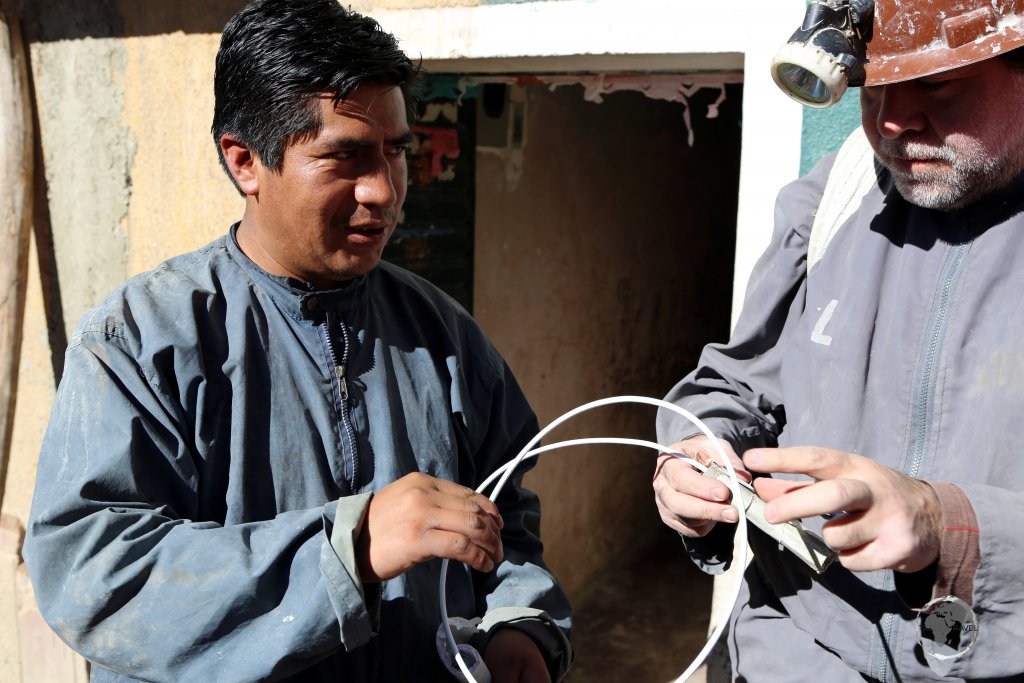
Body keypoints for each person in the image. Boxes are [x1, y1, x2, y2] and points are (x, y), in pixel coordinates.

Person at [22, 1, 572, 681]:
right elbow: (96, 575)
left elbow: (505, 518)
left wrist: (516, 625)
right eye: (344, 156)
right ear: (246, 161)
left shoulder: (444, 334)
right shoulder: (140, 340)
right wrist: (350, 548)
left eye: (396, 151)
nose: (385, 189)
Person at [652, 0, 1024, 680]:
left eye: (936, 82)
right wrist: (697, 450)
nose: (890, 119)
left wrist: (948, 525)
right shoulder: (836, 194)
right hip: (795, 651)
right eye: (873, 84)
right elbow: (736, 385)